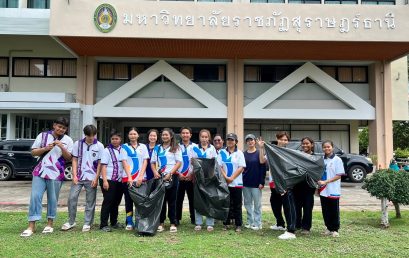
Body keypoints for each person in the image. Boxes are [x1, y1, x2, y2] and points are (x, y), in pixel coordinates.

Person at [20, 117, 73, 237]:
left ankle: (50, 224)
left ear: (66, 129)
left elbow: (69, 158)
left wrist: (62, 147)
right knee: (35, 196)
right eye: (59, 126)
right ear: (54, 125)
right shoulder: (43, 136)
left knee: (53, 199)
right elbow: (33, 152)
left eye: (64, 128)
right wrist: (45, 148)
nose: (61, 129)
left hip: (56, 173)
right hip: (40, 171)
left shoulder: (68, 140)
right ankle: (31, 225)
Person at [61, 125, 104, 232]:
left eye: (93, 135)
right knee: (72, 198)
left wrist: (96, 178)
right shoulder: (78, 144)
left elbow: (100, 163)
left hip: (91, 178)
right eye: (89, 136)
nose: (91, 138)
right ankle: (71, 221)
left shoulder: (99, 146)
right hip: (78, 177)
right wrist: (74, 175)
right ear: (85, 134)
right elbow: (74, 160)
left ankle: (87, 223)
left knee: (90, 201)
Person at [99, 130, 133, 232]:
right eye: (113, 139)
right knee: (108, 201)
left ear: (120, 139)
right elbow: (103, 166)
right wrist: (105, 181)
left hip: (119, 180)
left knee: (116, 202)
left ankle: (114, 222)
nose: (114, 141)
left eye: (116, 139)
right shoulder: (106, 150)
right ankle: (103, 224)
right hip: (108, 179)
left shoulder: (123, 149)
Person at [151, 128, 182, 233]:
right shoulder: (157, 148)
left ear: (171, 136)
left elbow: (178, 162)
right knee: (161, 201)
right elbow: (152, 162)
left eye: (166, 135)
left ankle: (173, 223)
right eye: (163, 135)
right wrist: (155, 172)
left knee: (172, 201)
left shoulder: (175, 148)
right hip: (160, 177)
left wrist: (170, 173)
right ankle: (161, 223)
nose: (164, 137)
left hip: (173, 177)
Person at [121, 127, 149, 230]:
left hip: (141, 179)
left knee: (140, 201)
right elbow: (124, 162)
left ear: (138, 135)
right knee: (128, 201)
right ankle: (129, 221)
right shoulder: (124, 147)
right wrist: (129, 178)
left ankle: (140, 221)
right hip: (127, 179)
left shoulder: (143, 147)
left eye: (134, 134)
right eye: (131, 134)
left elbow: (145, 161)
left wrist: (141, 176)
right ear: (128, 136)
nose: (133, 136)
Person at [218, 133, 246, 232]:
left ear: (236, 142)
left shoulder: (239, 153)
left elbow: (241, 167)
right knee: (226, 204)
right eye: (228, 139)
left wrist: (232, 178)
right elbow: (220, 166)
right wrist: (226, 178)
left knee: (237, 204)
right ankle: (226, 223)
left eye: (232, 140)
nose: (230, 141)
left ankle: (238, 224)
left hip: (237, 183)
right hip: (225, 183)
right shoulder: (221, 152)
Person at [191, 129, 218, 232]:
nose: (204, 139)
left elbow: (215, 164)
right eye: (202, 137)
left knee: (209, 200)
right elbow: (192, 162)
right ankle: (198, 222)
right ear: (200, 138)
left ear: (209, 138)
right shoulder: (194, 148)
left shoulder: (212, 149)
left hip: (209, 178)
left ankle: (210, 223)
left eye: (206, 137)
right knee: (198, 200)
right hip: (198, 178)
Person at [318, 140, 345, 238]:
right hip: (323, 189)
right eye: (324, 147)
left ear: (332, 147)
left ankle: (335, 229)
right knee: (325, 210)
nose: (326, 148)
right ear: (322, 148)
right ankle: (328, 228)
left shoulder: (337, 160)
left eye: (328, 147)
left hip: (333, 189)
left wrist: (326, 181)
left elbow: (338, 175)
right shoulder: (321, 159)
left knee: (334, 210)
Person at [242, 134, 266, 231]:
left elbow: (263, 168)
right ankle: (250, 221)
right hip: (246, 183)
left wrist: (262, 182)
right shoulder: (244, 154)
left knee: (257, 204)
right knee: (247, 203)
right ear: (246, 142)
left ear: (254, 141)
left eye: (251, 140)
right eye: (248, 140)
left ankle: (257, 223)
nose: (250, 142)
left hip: (256, 183)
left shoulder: (259, 153)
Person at [293, 137, 316, 234]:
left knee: (307, 208)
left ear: (312, 145)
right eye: (303, 143)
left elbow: (317, 172)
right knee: (296, 207)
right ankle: (297, 225)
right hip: (297, 186)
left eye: (307, 143)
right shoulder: (298, 155)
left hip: (309, 187)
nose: (305, 145)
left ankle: (306, 228)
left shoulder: (315, 158)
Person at [176, 127, 196, 226]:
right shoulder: (176, 146)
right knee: (178, 199)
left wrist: (191, 174)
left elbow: (196, 162)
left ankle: (193, 218)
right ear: (180, 135)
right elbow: (173, 162)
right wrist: (178, 173)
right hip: (178, 177)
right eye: (183, 133)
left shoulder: (195, 146)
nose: (185, 135)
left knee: (192, 199)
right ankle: (176, 218)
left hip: (191, 177)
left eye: (187, 133)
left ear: (190, 135)